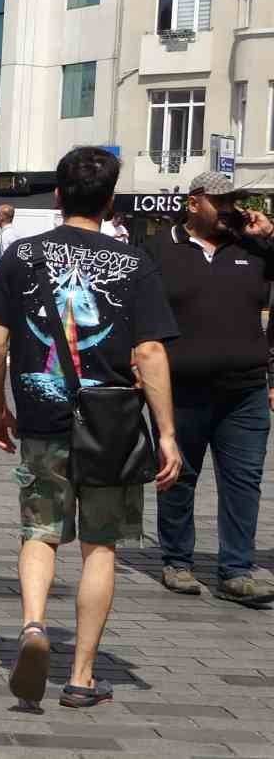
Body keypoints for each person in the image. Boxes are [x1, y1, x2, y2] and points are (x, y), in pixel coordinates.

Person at [0, 145, 183, 709]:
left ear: (56, 196)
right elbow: (148, 351)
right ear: (110, 201)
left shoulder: (21, 256)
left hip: (43, 417)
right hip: (113, 423)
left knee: (39, 532)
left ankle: (34, 626)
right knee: (100, 547)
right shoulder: (136, 262)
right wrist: (166, 430)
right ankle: (82, 676)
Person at [144, 172, 274, 606]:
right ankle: (177, 560)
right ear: (194, 202)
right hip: (179, 388)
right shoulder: (160, 249)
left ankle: (236, 569)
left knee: (244, 481)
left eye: (236, 199)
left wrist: (270, 239)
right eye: (222, 200)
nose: (231, 208)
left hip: (246, 390)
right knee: (178, 475)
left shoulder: (252, 247)